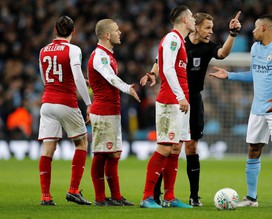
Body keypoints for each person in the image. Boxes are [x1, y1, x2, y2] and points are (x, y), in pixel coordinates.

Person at [141, 11, 241, 207]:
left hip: (191, 99)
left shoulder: (205, 46)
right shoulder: (177, 40)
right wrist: (153, 74)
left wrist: (232, 34)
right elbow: (162, 62)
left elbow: (222, 54)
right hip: (175, 99)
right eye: (207, 27)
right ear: (194, 25)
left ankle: (186, 196)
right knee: (166, 147)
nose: (211, 32)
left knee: (181, 147)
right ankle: (152, 195)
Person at [209, 14, 272, 208]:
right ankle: (251, 198)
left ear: (264, 28)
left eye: (256, 28)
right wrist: (229, 75)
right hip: (257, 108)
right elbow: (254, 75)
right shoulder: (255, 48)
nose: (253, 31)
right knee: (253, 149)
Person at [139, 5, 195, 209]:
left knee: (175, 148)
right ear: (183, 20)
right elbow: (169, 68)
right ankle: (146, 197)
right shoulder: (172, 39)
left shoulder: (179, 41)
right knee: (164, 146)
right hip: (171, 100)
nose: (193, 20)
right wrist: (180, 96)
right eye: (191, 17)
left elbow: (160, 63)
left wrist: (152, 73)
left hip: (180, 101)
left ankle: (169, 197)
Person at [38, 15, 92, 206]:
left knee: (48, 147)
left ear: (55, 31)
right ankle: (74, 190)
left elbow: (45, 78)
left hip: (47, 103)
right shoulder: (73, 49)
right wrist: (88, 103)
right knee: (81, 143)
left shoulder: (43, 50)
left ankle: (45, 196)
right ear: (73, 32)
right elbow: (77, 77)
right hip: (66, 102)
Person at [88, 19, 140, 207]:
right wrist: (128, 88)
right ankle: (100, 198)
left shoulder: (107, 54)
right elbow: (110, 78)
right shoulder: (101, 55)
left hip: (111, 110)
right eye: (117, 30)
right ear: (107, 35)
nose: (120, 33)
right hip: (103, 111)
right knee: (101, 153)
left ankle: (116, 196)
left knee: (114, 154)